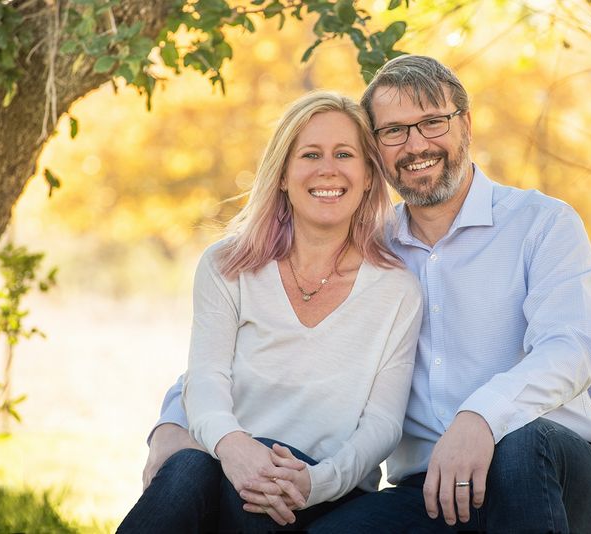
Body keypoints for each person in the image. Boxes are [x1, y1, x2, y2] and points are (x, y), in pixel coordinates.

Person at [146, 55, 591, 533]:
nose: (416, 144)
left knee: (518, 449)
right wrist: (171, 426)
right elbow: (224, 356)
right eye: (394, 131)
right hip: (430, 489)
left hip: (556, 468)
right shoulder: (372, 251)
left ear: (466, 123)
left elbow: (570, 352)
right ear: (376, 149)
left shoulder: (541, 223)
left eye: (432, 122)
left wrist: (481, 416)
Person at [118, 91, 423, 533]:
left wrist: (316, 481)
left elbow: (383, 424)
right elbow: (204, 380)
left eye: (344, 154)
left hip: (327, 492)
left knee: (251, 495)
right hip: (229, 465)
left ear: (369, 176)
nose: (328, 169)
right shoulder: (229, 266)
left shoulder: (396, 289)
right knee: (188, 469)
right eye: (310, 154)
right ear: (282, 174)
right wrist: (234, 447)